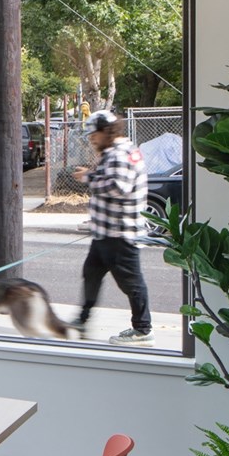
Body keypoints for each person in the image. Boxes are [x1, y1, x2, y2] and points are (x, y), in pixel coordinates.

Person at [72, 110, 153, 346]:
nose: (91, 139)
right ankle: (82, 319)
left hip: (119, 234)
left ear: (107, 131)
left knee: (131, 283)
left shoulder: (120, 154)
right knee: (91, 274)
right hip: (106, 233)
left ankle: (143, 330)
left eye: (94, 134)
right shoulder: (115, 152)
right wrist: (92, 173)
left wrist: (88, 178)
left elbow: (118, 187)